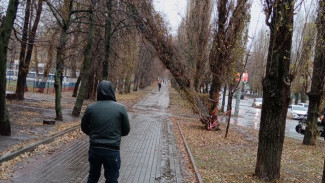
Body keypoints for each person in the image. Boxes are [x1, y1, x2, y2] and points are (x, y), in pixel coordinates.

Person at [81, 80, 130, 183]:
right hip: (112, 150)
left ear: (98, 91)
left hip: (95, 149)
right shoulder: (120, 108)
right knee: (112, 178)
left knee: (93, 176)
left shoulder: (91, 108)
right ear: (112, 91)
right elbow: (126, 130)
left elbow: (84, 127)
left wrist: (93, 134)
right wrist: (114, 134)